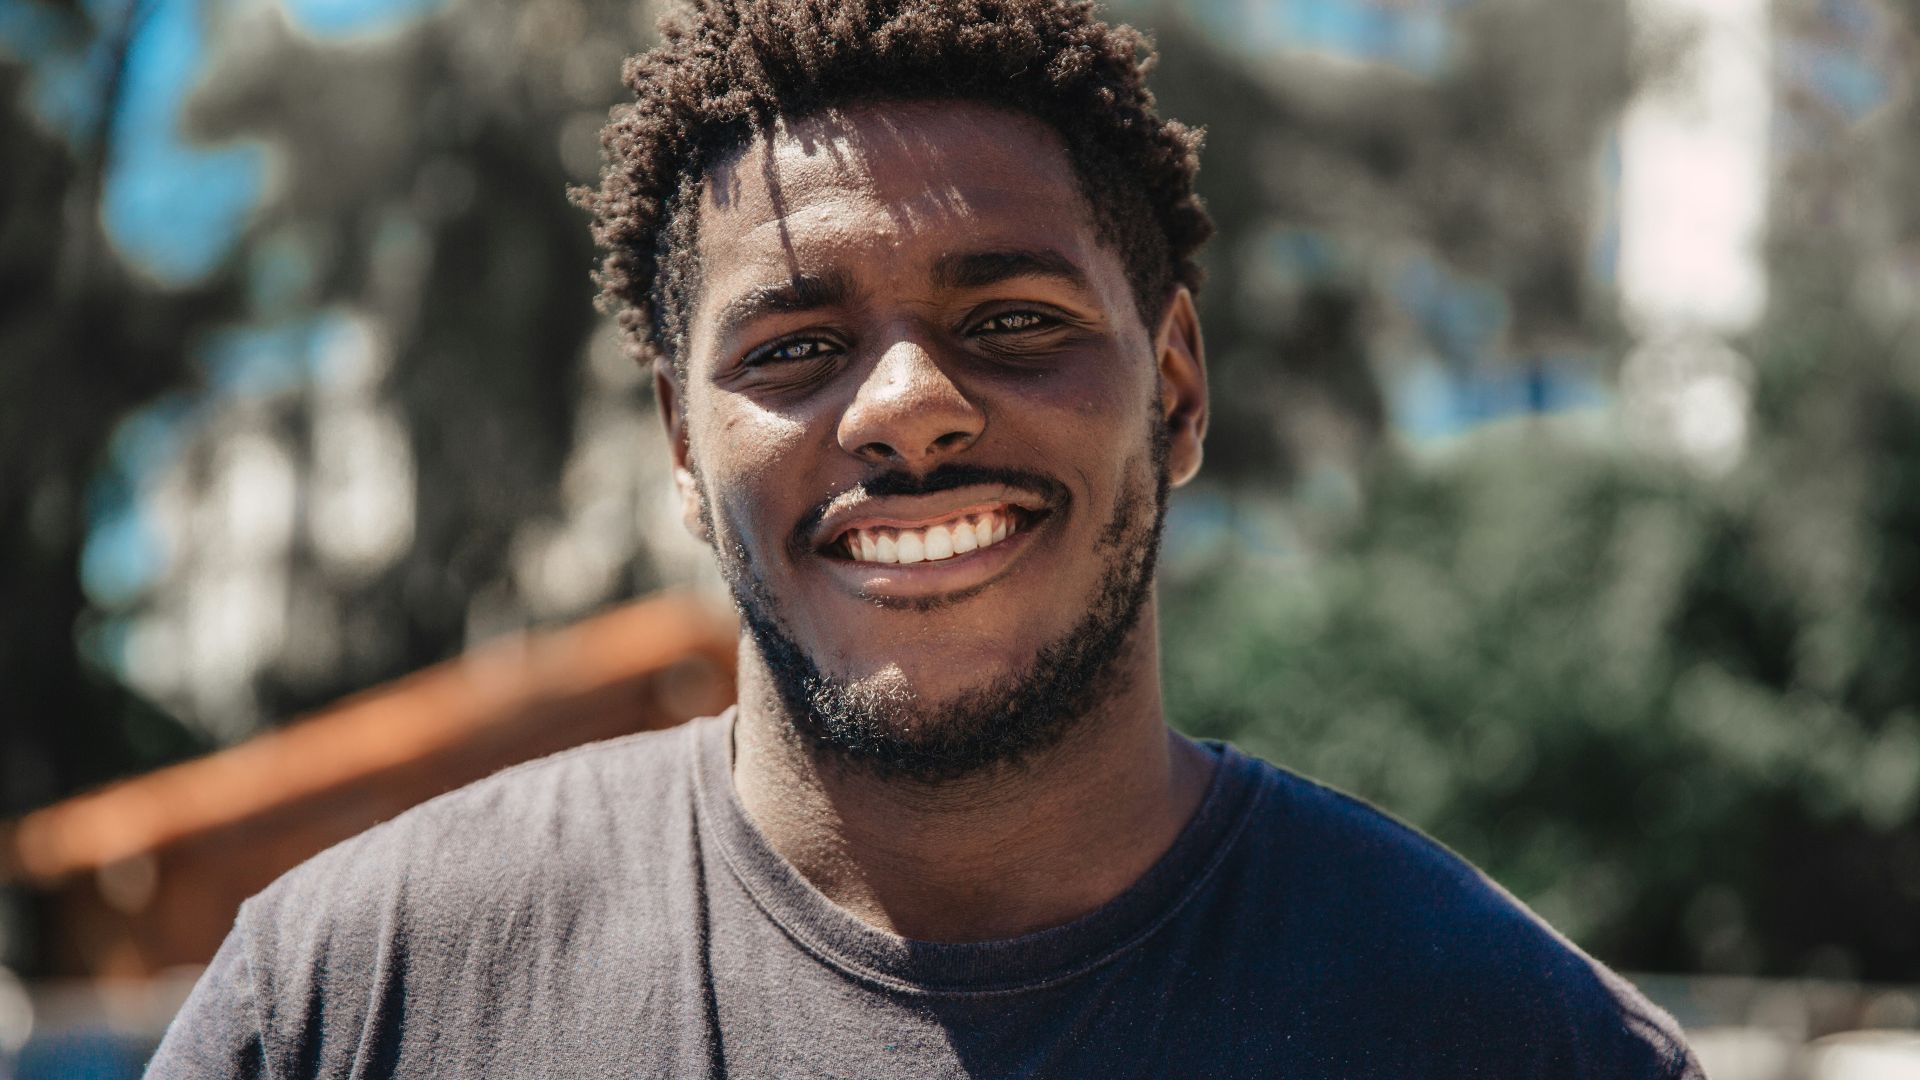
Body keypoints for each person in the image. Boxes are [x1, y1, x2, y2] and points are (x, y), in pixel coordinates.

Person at [147, 1, 1702, 1076]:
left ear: (1172, 390)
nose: (906, 407)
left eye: (1012, 320)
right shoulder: (353, 1000)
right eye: (791, 348)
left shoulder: (1510, 1039)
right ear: (686, 451)